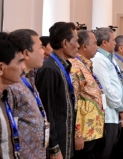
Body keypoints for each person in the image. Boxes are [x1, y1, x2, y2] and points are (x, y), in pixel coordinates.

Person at [35, 22, 79, 159]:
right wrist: (54, 148)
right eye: (76, 41)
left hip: (65, 139)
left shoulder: (63, 67)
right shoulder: (49, 69)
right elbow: (46, 111)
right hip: (56, 144)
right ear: (65, 43)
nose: (78, 46)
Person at [8, 29, 49, 159]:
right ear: (26, 53)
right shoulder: (12, 85)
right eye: (40, 47)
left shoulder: (28, 78)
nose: (43, 52)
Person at [92, 27, 123, 159]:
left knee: (111, 151)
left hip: (115, 113)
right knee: (105, 153)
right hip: (108, 114)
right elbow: (106, 88)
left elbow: (117, 83)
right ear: (104, 42)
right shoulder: (98, 59)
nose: (115, 43)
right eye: (112, 40)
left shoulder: (110, 58)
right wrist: (120, 107)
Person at [69, 30, 104, 159]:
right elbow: (74, 100)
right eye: (95, 43)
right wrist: (77, 134)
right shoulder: (75, 67)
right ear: (84, 46)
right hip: (84, 131)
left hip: (93, 129)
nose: (97, 47)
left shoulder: (85, 64)